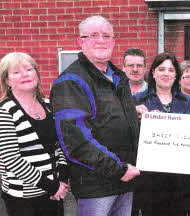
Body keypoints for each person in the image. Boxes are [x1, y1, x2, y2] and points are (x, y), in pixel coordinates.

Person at [50, 16, 140, 216]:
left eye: (106, 35)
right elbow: (76, 141)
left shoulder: (118, 78)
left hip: (125, 181)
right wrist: (118, 169)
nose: (101, 40)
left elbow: (117, 122)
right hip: (97, 186)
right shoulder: (71, 81)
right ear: (80, 42)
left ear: (114, 42)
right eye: (93, 35)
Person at [0, 52, 69, 216]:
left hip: (54, 193)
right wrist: (51, 186)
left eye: (29, 69)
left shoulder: (48, 105)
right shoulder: (3, 112)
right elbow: (11, 159)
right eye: (16, 72)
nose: (25, 75)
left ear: (37, 74)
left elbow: (61, 144)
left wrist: (62, 178)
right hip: (24, 199)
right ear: (7, 80)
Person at [134, 52, 190, 216]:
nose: (166, 74)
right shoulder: (138, 100)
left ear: (176, 75)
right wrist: (136, 117)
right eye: (161, 69)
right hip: (150, 178)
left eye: (171, 70)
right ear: (153, 72)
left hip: (180, 178)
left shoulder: (187, 102)